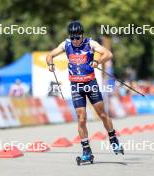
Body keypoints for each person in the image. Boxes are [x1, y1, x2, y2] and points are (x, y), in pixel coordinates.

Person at [46, 21, 124, 161]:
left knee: (102, 114)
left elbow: (108, 53)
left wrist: (97, 61)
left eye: (77, 37)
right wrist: (50, 64)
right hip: (76, 85)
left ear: (82, 35)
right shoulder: (66, 44)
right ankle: (86, 150)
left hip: (90, 83)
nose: (75, 41)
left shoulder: (90, 43)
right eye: (72, 37)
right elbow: (49, 55)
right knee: (81, 119)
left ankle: (113, 139)